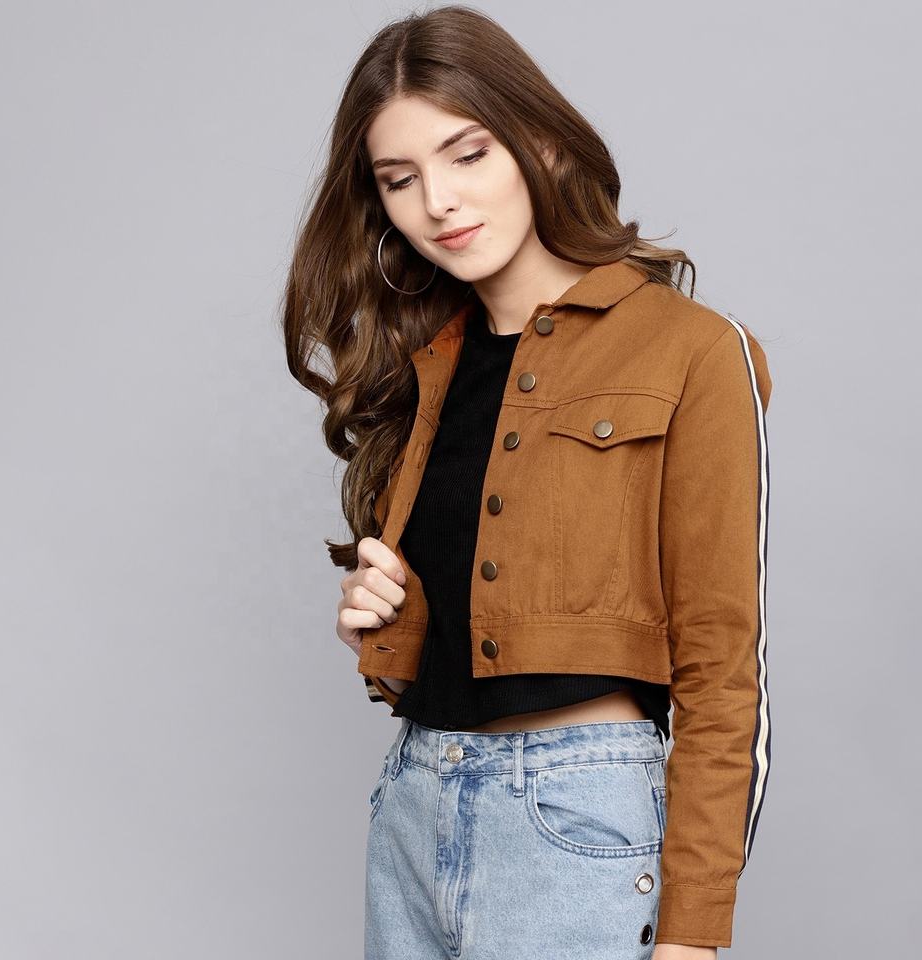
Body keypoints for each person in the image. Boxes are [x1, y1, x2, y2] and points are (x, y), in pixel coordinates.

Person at [282, 7, 772, 958]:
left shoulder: (692, 351)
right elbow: (461, 645)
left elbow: (724, 670)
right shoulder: (422, 368)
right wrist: (381, 623)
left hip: (578, 822)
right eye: (400, 179)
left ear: (540, 142)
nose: (439, 202)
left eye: (467, 154)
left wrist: (693, 933)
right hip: (413, 805)